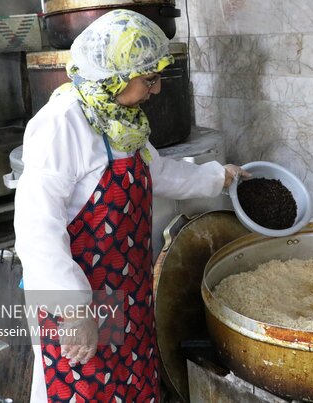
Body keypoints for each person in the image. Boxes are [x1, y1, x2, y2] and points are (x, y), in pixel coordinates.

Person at [13, 9, 249, 403]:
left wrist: (217, 176)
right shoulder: (62, 124)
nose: (155, 91)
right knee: (88, 386)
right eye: (149, 79)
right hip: (80, 295)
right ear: (115, 75)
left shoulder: (120, 120)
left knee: (130, 378)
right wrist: (74, 313)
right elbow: (37, 231)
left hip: (127, 288)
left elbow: (154, 172)